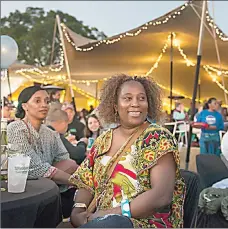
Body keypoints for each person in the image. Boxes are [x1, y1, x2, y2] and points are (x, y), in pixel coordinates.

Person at [69, 74, 185, 228]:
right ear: (115, 106)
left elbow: (161, 196)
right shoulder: (103, 140)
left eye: (141, 98)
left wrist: (110, 213)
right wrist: (78, 210)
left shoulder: (158, 138)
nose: (135, 104)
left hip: (142, 222)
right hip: (99, 221)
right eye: (127, 98)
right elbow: (85, 180)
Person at [6, 86, 79, 217]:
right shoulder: (15, 128)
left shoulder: (51, 133)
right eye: (37, 101)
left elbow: (65, 161)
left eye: (46, 101)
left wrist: (55, 173)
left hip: (49, 191)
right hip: (22, 195)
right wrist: (75, 180)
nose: (44, 105)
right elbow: (32, 167)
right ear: (25, 106)